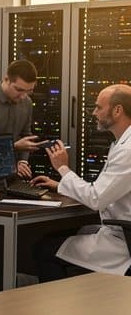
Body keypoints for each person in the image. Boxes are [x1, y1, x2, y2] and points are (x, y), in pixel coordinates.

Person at [31, 84, 131, 281]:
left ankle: (69, 300)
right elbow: (103, 191)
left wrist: (62, 168)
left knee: (43, 249)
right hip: (119, 231)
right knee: (59, 237)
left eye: (98, 107)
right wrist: (59, 185)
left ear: (117, 110)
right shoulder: (122, 143)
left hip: (123, 242)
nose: (94, 113)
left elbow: (96, 199)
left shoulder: (127, 150)